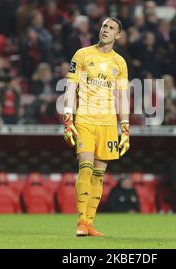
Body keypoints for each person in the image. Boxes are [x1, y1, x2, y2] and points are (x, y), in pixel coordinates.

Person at [63, 17, 130, 237]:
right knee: (85, 166)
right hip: (85, 119)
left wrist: (125, 127)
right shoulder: (82, 55)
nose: (106, 30)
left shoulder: (119, 63)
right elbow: (71, 88)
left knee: (99, 175)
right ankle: (81, 222)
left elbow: (122, 97)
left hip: (108, 123)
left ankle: (89, 224)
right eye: (104, 26)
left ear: (118, 35)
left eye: (111, 28)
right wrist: (67, 117)